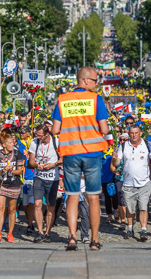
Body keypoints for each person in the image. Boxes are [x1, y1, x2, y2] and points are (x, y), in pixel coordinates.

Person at [52, 66, 110, 251]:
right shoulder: (95, 99)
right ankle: (94, 240)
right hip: (92, 153)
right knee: (93, 197)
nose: (97, 83)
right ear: (85, 80)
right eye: (94, 80)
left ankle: (71, 238)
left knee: (72, 196)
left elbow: (54, 129)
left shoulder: (63, 99)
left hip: (71, 153)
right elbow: (105, 129)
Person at [113, 123, 151, 241]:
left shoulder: (147, 145)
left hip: (144, 182)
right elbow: (116, 164)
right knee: (130, 208)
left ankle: (143, 230)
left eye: (136, 133)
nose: (134, 135)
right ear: (129, 133)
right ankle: (130, 228)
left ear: (140, 133)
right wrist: (114, 159)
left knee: (143, 207)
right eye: (132, 133)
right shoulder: (124, 146)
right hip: (129, 183)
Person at [29, 123, 62, 243]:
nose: (38, 137)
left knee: (50, 207)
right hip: (39, 177)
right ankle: (40, 232)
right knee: (37, 204)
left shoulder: (56, 142)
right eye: (36, 135)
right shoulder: (34, 143)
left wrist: (53, 164)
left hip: (53, 178)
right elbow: (31, 160)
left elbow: (63, 158)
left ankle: (47, 232)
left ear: (47, 134)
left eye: (40, 136)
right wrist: (37, 165)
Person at [0, 132, 24, 243]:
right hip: (1, 184)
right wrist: (2, 171)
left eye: (13, 142)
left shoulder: (17, 154)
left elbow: (20, 171)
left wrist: (11, 170)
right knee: (0, 208)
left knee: (11, 209)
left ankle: (10, 233)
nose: (12, 144)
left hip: (14, 184)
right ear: (4, 144)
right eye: (10, 143)